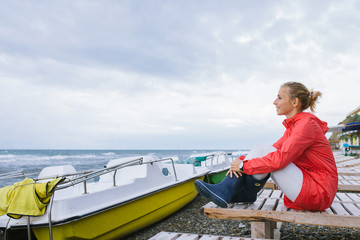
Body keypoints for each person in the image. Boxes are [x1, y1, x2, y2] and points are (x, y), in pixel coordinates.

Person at [195, 82, 338, 211]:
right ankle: (238, 192)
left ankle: (236, 191)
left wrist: (244, 166)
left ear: (295, 102)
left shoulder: (306, 125)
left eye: (280, 98)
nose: (274, 102)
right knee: (262, 150)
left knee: (265, 152)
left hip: (318, 192)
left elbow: (280, 159)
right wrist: (240, 160)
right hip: (308, 187)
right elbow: (271, 150)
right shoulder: (294, 127)